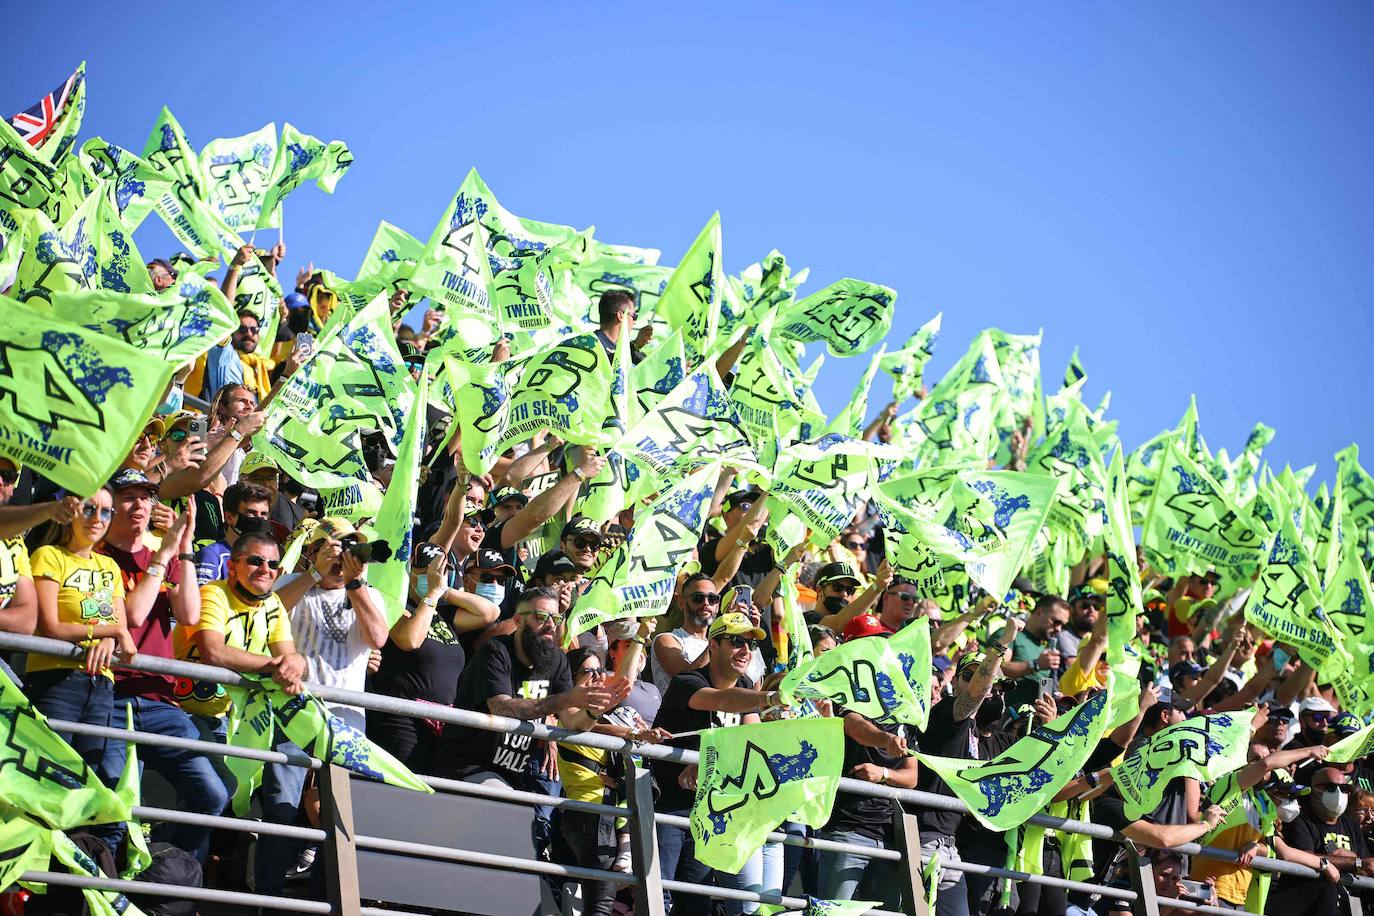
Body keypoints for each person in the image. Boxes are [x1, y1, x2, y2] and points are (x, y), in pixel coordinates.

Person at [98, 470, 227, 863]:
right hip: (111, 696)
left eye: (147, 497)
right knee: (116, 813)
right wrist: (164, 556)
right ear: (110, 504)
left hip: (159, 699)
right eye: (128, 497)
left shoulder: (164, 554)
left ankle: (165, 871)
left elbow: (188, 613)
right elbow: (132, 617)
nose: (139, 506)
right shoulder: (96, 555)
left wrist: (184, 549)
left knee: (212, 794)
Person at [184, 531, 307, 900]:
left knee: (281, 804)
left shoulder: (273, 606)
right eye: (254, 561)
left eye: (272, 564)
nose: (264, 570)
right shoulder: (214, 593)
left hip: (252, 719)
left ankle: (265, 900)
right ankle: (186, 894)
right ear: (233, 566)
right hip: (203, 714)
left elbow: (289, 656)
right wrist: (276, 666)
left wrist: (296, 662)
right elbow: (213, 652)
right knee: (208, 800)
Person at [28, 484, 140, 854]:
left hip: (101, 685)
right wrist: (109, 632)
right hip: (57, 680)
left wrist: (109, 638)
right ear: (71, 511)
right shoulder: (48, 555)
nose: (97, 518)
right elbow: (50, 626)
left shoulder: (109, 565)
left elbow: (119, 630)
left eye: (106, 512)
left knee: (88, 787)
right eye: (90, 508)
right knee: (51, 782)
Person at [651, 612, 781, 915]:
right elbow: (722, 700)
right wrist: (768, 699)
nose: (745, 651)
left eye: (750, 644)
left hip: (710, 812)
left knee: (696, 904)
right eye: (736, 641)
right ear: (713, 645)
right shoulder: (687, 681)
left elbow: (750, 740)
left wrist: (710, 762)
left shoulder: (748, 686)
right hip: (668, 807)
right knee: (660, 895)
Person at [432, 587, 623, 786]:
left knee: (525, 811)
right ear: (518, 620)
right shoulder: (495, 651)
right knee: (509, 809)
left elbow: (573, 722)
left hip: (512, 774)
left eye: (555, 619)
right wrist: (567, 699)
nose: (550, 625)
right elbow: (501, 707)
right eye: (541, 617)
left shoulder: (557, 660)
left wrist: (593, 710)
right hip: (467, 766)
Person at [915, 617, 1023, 916]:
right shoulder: (945, 715)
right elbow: (975, 693)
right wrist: (1002, 644)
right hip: (923, 838)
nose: (991, 690)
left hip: (950, 845)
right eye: (971, 676)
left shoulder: (987, 736)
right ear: (956, 682)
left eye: (998, 686)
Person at [813, 622, 920, 910]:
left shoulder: (903, 706)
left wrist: (883, 773)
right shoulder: (848, 692)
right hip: (847, 827)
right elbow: (855, 726)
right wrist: (885, 740)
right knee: (831, 912)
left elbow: (912, 777)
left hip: (888, 833)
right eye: (874, 646)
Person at [1265, 766, 1374, 916]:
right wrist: (1352, 863)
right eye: (1330, 787)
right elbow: (1295, 855)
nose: (1338, 793)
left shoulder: (1351, 825)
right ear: (1314, 789)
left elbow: (1367, 867)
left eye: (1344, 788)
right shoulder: (1298, 820)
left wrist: (1355, 861)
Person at [650, 573, 719, 696]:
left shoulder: (722, 643)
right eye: (698, 598)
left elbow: (753, 685)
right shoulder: (666, 640)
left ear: (717, 606)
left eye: (712, 599)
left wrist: (746, 632)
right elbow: (688, 679)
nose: (706, 603)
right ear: (681, 603)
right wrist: (722, 633)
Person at [1002, 595, 1069, 708]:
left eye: (1062, 625)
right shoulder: (1012, 634)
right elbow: (997, 667)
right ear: (1039, 612)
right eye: (1056, 622)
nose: (1059, 629)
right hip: (1008, 716)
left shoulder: (1046, 649)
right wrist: (1036, 664)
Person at [1057, 584, 1103, 665]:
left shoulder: (1099, 637)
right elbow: (1075, 669)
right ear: (1070, 610)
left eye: (1096, 606)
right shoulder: (1063, 636)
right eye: (1085, 606)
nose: (1092, 610)